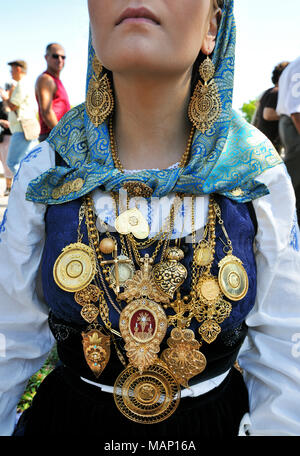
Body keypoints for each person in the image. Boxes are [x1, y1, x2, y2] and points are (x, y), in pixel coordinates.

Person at [0, 0, 300, 439]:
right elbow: (8, 334)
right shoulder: (50, 167)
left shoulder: (255, 173)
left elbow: (284, 348)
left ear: (212, 27)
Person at [0, 60, 39, 176]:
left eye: (12, 70)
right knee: (32, 161)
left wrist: (5, 97)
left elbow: (12, 106)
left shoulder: (21, 84)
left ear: (18, 69)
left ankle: (27, 188)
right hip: (28, 128)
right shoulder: (26, 83)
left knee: (12, 163)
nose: (11, 73)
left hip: (21, 129)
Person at [277, 55, 300, 223]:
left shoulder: (293, 66)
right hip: (294, 123)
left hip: (291, 122)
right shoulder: (297, 67)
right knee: (293, 182)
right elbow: (296, 109)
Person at [35, 43, 71, 142]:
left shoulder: (56, 81)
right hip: (53, 136)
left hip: (58, 135)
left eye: (63, 57)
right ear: (46, 57)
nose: (60, 60)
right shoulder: (46, 79)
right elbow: (46, 111)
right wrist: (62, 136)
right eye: (55, 56)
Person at [253, 61, 289, 153]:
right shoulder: (277, 92)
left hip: (262, 144)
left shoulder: (270, 91)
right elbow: (268, 114)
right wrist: (291, 114)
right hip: (269, 146)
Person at [0, 92, 14, 196]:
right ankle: (8, 187)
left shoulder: (14, 105)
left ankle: (11, 186)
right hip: (2, 136)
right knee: (5, 163)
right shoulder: (0, 105)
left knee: (9, 163)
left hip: (13, 136)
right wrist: (2, 121)